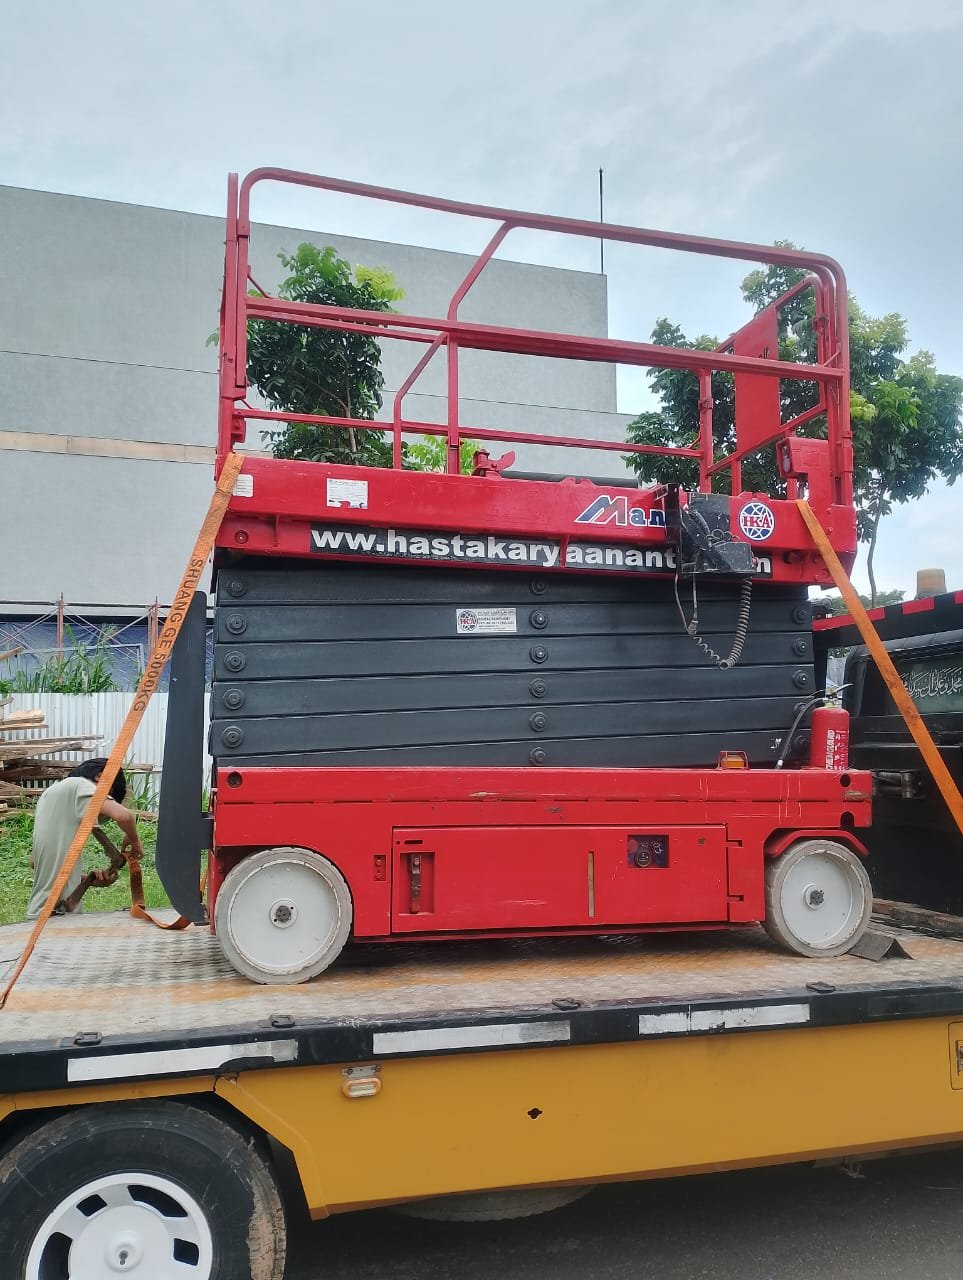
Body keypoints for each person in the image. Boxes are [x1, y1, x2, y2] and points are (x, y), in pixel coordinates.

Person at [26, 758, 144, 919]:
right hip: (57, 916)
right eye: (108, 798)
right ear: (100, 777)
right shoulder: (80, 785)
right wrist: (134, 841)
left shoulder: (49, 796)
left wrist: (85, 879)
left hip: (40, 911)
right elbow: (124, 816)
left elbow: (35, 862)